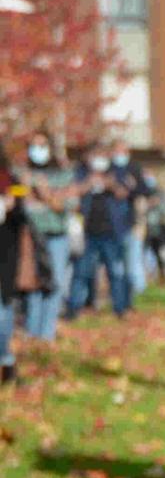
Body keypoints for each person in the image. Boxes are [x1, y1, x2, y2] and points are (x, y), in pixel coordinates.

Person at [19, 131, 74, 343]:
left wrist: (46, 193)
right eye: (34, 145)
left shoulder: (62, 174)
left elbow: (65, 204)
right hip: (30, 237)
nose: (38, 150)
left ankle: (46, 334)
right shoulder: (22, 173)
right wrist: (21, 189)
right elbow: (13, 197)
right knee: (33, 284)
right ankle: (31, 334)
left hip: (56, 237)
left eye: (42, 145)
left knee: (55, 283)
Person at [67, 146, 133, 319]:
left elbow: (124, 193)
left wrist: (110, 184)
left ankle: (120, 309)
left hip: (111, 234)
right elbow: (73, 191)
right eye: (95, 156)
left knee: (116, 273)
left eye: (102, 156)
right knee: (81, 273)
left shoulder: (116, 173)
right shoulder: (81, 173)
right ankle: (74, 309)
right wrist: (89, 183)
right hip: (87, 233)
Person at [0, 178, 50, 385]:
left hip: (4, 270)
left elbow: (21, 202)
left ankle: (8, 366)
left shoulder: (11, 185)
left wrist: (11, 200)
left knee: (3, 318)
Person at [108, 139, 152, 296]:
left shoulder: (134, 168)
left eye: (125, 152)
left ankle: (138, 295)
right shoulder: (107, 169)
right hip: (110, 226)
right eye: (118, 151)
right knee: (116, 267)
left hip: (130, 224)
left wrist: (132, 188)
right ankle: (120, 296)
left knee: (133, 264)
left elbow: (146, 191)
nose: (121, 155)